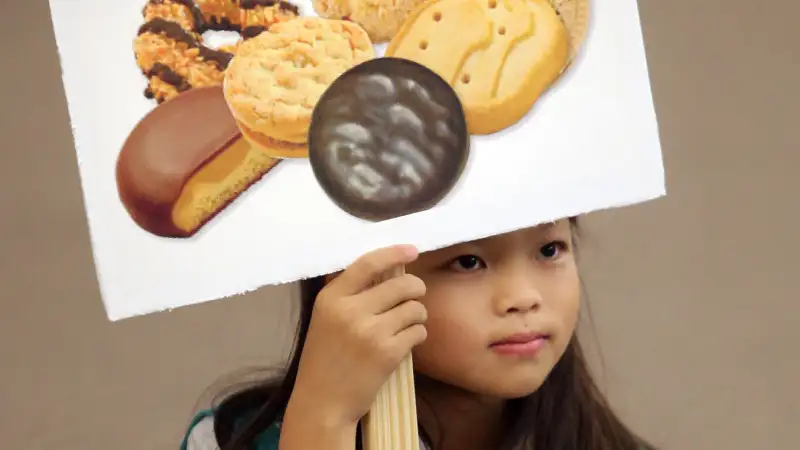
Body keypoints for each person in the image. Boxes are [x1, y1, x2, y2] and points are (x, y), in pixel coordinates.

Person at [181, 218, 656, 450]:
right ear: (355, 281)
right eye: (468, 261)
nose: (524, 296)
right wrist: (323, 420)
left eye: (550, 249)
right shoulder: (226, 439)